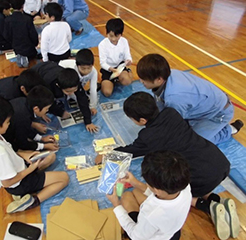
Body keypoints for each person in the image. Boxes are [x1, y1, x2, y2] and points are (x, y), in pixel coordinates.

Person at [98, 92, 240, 240]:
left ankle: (207, 205)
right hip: (219, 162)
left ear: (141, 120)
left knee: (133, 196)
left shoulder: (147, 137)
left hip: (200, 175)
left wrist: (108, 155)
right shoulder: (171, 113)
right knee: (188, 187)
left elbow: (131, 150)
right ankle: (212, 201)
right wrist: (135, 182)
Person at [0, 94, 69, 213]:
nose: (9, 124)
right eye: (7, 122)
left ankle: (27, 189)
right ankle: (33, 201)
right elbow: (7, 182)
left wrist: (25, 155)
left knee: (51, 156)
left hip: (20, 167)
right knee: (64, 178)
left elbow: (11, 151)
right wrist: (31, 169)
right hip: (19, 183)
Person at [137, 53, 244, 145]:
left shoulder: (175, 98)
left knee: (192, 143)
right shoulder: (166, 74)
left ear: (159, 79)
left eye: (144, 79)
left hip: (218, 113)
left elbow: (174, 124)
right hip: (204, 106)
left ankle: (228, 130)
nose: (141, 81)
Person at [107, 151, 192, 240]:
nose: (146, 183)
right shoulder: (184, 186)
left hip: (146, 235)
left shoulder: (152, 215)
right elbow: (159, 193)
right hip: (171, 231)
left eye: (147, 182)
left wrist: (116, 204)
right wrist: (135, 183)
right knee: (135, 191)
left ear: (157, 190)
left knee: (126, 196)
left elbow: (136, 236)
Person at [0, 86, 59, 164]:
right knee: (15, 153)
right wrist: (44, 146)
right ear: (36, 109)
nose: (46, 112)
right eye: (46, 109)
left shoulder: (24, 102)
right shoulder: (22, 117)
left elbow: (26, 127)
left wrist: (41, 138)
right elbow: (22, 143)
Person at [31, 61, 99, 133]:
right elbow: (43, 99)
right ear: (58, 86)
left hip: (52, 67)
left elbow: (82, 99)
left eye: (74, 90)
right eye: (68, 91)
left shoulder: (74, 81)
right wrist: (58, 112)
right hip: (36, 74)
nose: (72, 93)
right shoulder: (48, 84)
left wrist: (88, 122)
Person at [98, 18, 133, 97]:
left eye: (117, 36)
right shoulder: (102, 45)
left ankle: (127, 72)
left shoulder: (124, 41)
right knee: (107, 92)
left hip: (120, 67)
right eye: (111, 36)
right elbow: (102, 63)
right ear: (106, 33)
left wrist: (128, 60)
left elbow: (127, 55)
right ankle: (110, 81)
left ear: (121, 34)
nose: (113, 39)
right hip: (108, 69)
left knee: (127, 81)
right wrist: (110, 69)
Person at [59, 48, 98, 115]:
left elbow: (93, 90)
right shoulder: (72, 70)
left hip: (76, 86)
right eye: (83, 68)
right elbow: (70, 89)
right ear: (77, 66)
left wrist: (93, 106)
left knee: (85, 100)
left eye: (89, 68)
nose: (86, 71)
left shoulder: (94, 72)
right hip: (65, 81)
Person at [4, 0, 39, 67]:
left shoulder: (7, 20)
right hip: (29, 49)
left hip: (16, 48)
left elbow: (6, 36)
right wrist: (35, 44)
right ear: (23, 6)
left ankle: (21, 57)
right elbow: (34, 36)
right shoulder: (27, 19)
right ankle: (25, 57)